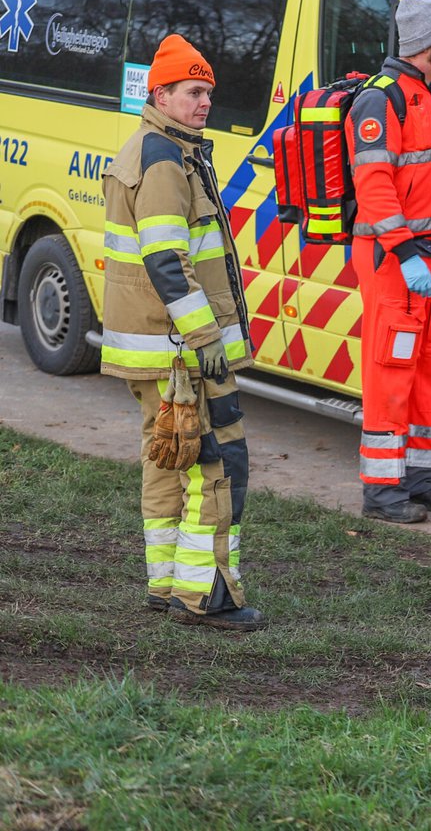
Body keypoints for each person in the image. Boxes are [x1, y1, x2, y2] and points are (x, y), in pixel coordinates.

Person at [101, 34, 266, 631]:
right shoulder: (166, 158)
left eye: (208, 94)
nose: (204, 104)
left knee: (169, 460)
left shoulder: (155, 148)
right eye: (193, 93)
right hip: (181, 353)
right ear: (160, 94)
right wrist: (205, 340)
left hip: (153, 348)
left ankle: (167, 585)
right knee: (218, 467)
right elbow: (167, 261)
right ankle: (207, 598)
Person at [347, 0, 431, 524]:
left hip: (428, 259)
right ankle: (381, 491)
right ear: (428, 41)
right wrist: (404, 253)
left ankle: (419, 480)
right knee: (389, 372)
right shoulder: (381, 100)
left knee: (426, 370)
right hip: (393, 261)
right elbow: (374, 185)